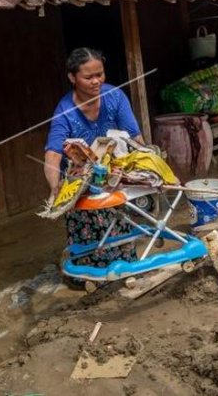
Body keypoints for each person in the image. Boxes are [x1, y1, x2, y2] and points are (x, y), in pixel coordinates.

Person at [44, 47, 144, 269]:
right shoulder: (65, 111)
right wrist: (55, 187)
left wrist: (146, 165)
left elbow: (135, 138)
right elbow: (52, 154)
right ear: (72, 77)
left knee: (120, 226)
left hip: (113, 175)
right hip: (80, 180)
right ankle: (89, 275)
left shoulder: (115, 97)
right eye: (88, 77)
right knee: (87, 235)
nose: (96, 81)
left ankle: (124, 270)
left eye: (100, 74)